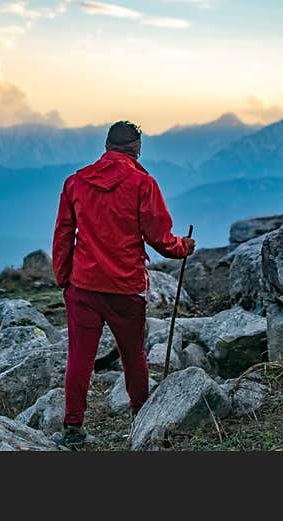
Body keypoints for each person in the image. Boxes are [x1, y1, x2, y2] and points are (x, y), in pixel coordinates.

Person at [50, 120, 195, 449]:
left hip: (83, 288)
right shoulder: (143, 183)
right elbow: (159, 238)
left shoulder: (75, 182)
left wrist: (64, 278)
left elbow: (62, 235)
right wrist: (183, 247)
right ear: (137, 147)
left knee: (79, 359)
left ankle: (73, 429)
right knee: (134, 357)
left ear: (107, 146)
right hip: (125, 288)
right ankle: (140, 419)